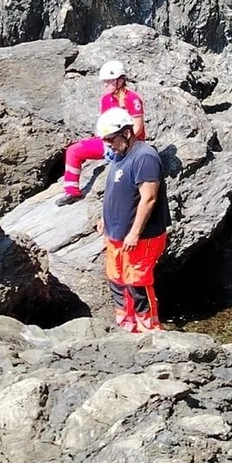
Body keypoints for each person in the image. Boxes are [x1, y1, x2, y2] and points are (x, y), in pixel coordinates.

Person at [95, 108, 170, 333]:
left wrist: (135, 232)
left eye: (111, 139)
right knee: (116, 279)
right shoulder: (120, 155)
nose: (108, 145)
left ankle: (149, 327)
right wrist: (105, 219)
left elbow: (148, 198)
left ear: (127, 133)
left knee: (137, 281)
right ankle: (126, 325)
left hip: (141, 237)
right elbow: (116, 191)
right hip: (116, 233)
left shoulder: (144, 156)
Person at [58, 60, 147, 205]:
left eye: (110, 81)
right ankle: (72, 192)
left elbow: (137, 128)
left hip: (129, 144)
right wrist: (107, 142)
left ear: (120, 80)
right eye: (104, 81)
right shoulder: (106, 99)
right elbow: (105, 126)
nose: (105, 84)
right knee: (74, 150)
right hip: (110, 141)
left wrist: (123, 147)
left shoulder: (133, 99)